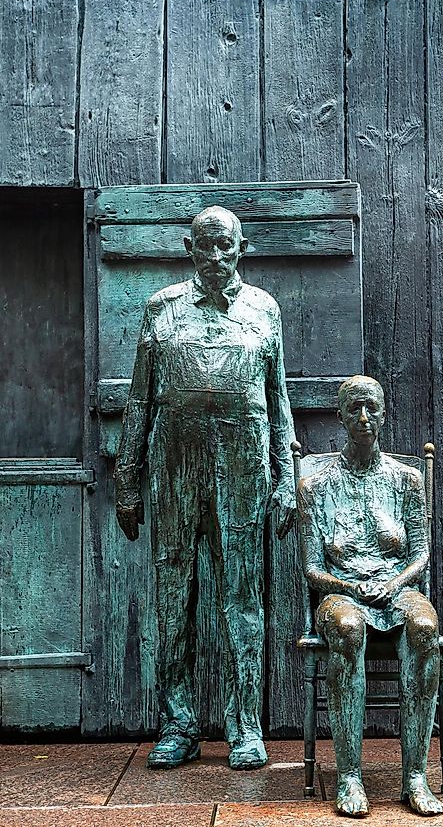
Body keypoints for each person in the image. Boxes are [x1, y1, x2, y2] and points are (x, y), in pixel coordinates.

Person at [114, 205, 296, 770]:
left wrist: (285, 477)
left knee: (242, 595)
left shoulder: (264, 310)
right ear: (189, 247)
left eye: (226, 246)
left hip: (243, 463)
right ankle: (179, 722)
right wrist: (128, 480)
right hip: (174, 463)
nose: (216, 258)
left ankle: (246, 725)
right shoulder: (161, 309)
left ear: (242, 247)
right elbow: (140, 398)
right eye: (205, 246)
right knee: (175, 596)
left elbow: (277, 399)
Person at [298, 376, 443, 817]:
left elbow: (421, 554)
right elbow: (312, 568)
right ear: (341, 416)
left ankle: (415, 776)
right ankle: (348, 777)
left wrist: (396, 585)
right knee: (347, 627)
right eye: (355, 409)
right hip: (341, 593)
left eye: (373, 409)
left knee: (424, 627)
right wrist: (349, 587)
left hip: (397, 588)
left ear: (383, 414)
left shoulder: (407, 479)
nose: (364, 418)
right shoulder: (316, 486)